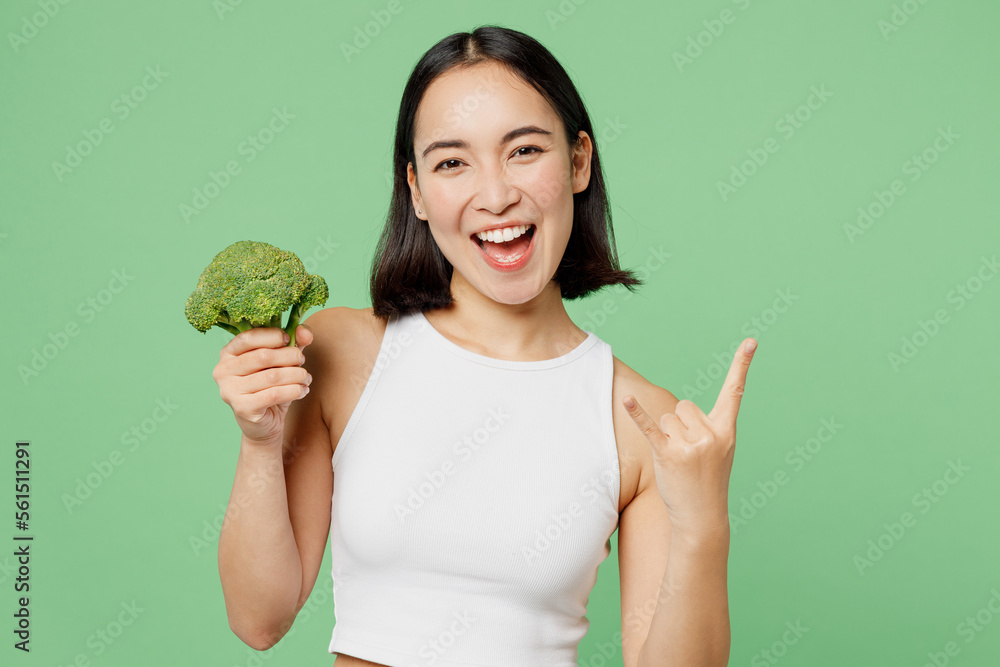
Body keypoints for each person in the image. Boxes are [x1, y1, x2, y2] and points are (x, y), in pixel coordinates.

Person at [214, 25, 755, 667]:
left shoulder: (639, 420)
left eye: (524, 150)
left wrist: (702, 524)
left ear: (579, 162)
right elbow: (259, 619)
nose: (496, 196)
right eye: (452, 162)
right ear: (416, 190)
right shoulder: (343, 352)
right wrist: (259, 442)